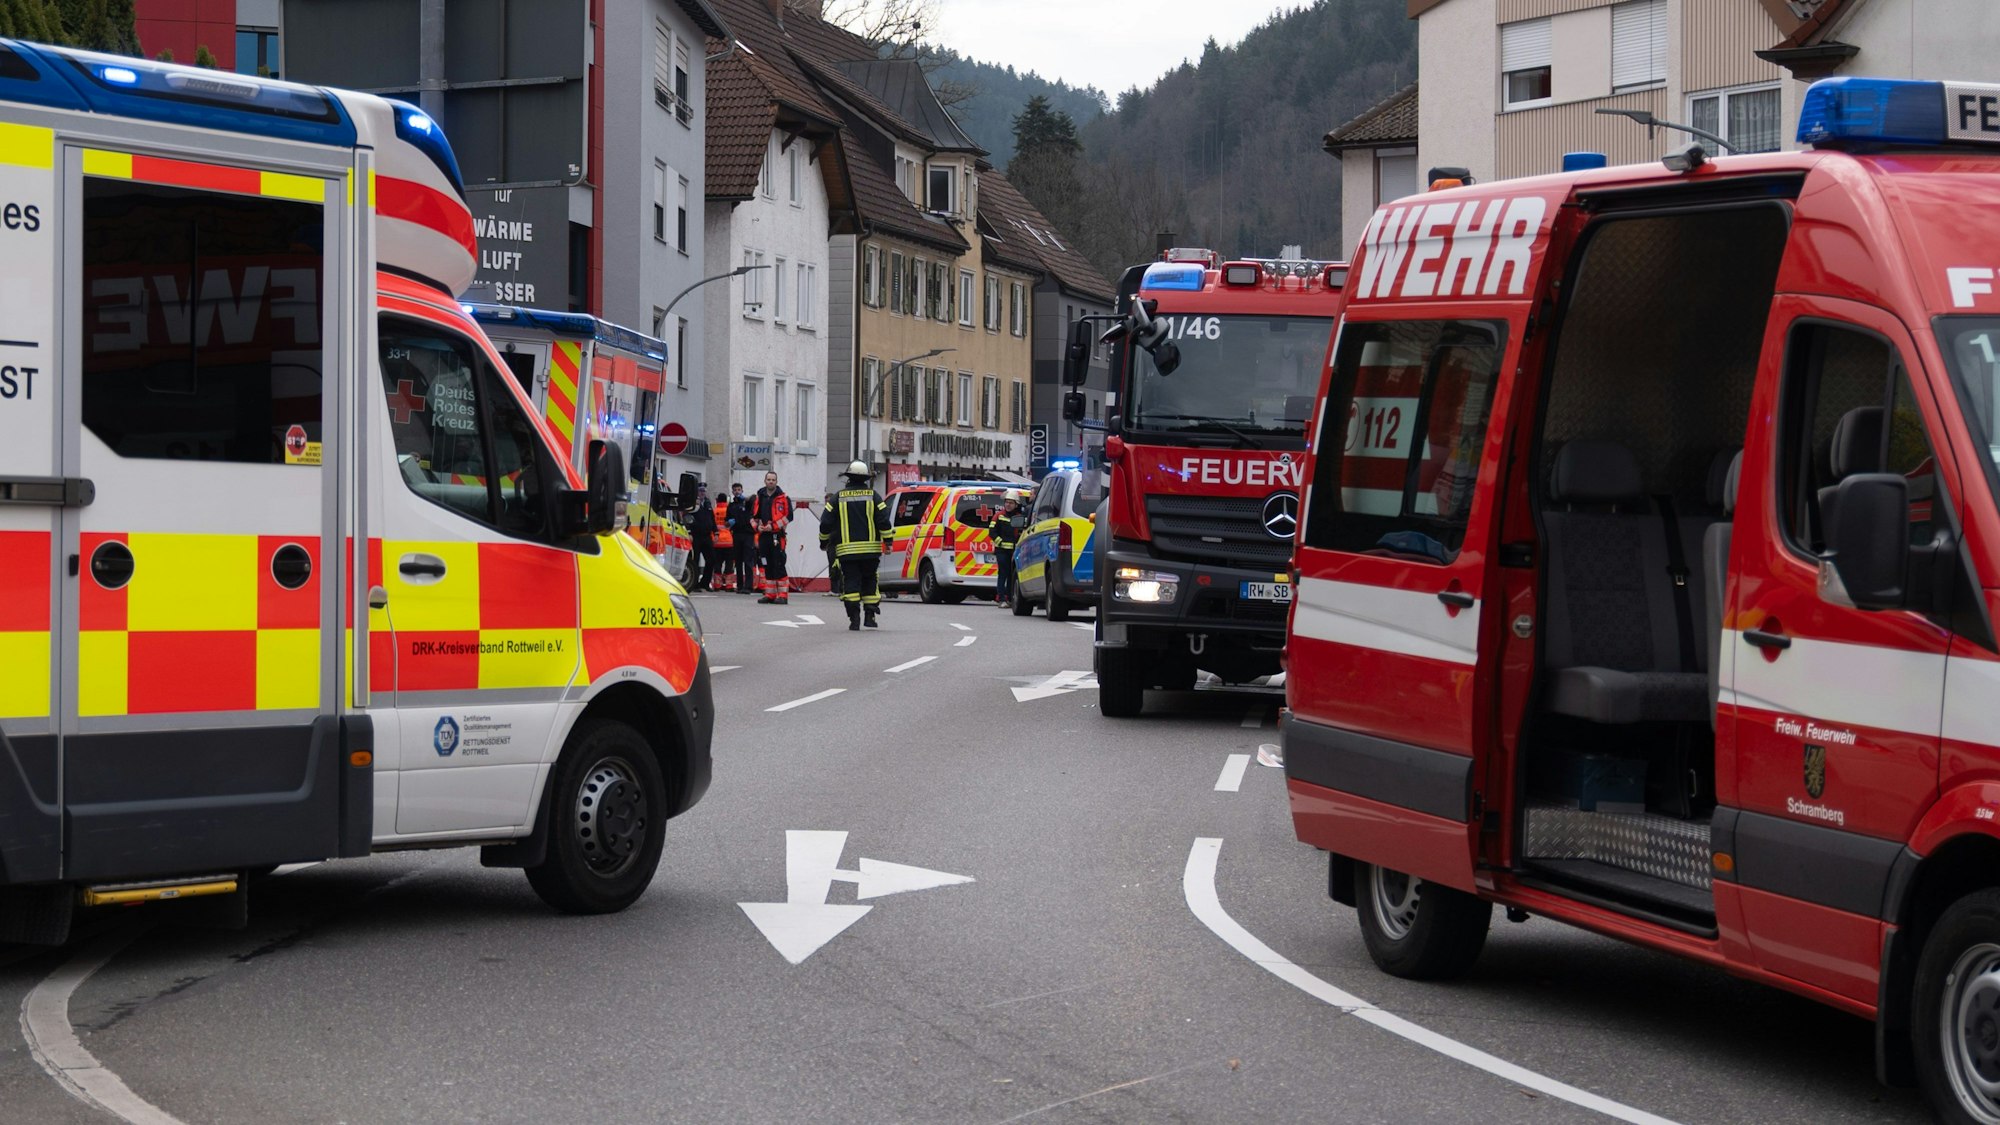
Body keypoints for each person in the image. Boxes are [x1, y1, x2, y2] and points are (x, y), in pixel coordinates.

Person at [823, 461, 890, 630]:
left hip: (847, 552)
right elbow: (883, 520)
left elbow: (825, 523)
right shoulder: (874, 496)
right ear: (865, 478)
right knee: (869, 580)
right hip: (871, 551)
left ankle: (854, 619)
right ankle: (870, 615)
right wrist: (888, 541)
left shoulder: (837, 498)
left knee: (851, 583)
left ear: (848, 478)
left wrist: (823, 541)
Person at [751, 470, 792, 605]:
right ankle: (770, 594)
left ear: (776, 481)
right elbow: (753, 517)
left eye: (773, 480)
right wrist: (757, 527)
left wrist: (773, 526)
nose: (771, 482)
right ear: (765, 481)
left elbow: (789, 517)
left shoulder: (783, 498)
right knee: (766, 564)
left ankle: (783, 595)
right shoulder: (760, 497)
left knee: (779, 563)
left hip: (776, 536)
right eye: (768, 479)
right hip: (763, 536)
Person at [991, 495, 1026, 606]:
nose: (1008, 505)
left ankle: (1010, 598)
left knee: (1012, 575)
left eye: (1011, 503)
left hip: (1014, 551)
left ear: (1016, 505)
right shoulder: (998, 516)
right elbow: (992, 531)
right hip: (1001, 550)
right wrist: (1000, 541)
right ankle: (1001, 598)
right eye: (1007, 502)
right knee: (1003, 573)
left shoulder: (1019, 517)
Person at [725, 481, 755, 594]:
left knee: (748, 560)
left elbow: (753, 499)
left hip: (748, 534)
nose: (737, 492)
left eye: (739, 490)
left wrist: (745, 499)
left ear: (742, 491)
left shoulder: (746, 503)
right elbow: (726, 522)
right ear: (732, 492)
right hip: (737, 534)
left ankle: (748, 586)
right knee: (738, 561)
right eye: (735, 490)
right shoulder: (731, 506)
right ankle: (740, 585)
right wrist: (729, 523)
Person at [689, 484, 716, 590]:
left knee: (711, 559)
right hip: (696, 536)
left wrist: (716, 532)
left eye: (704, 491)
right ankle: (694, 584)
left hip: (706, 536)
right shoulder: (692, 504)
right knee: (695, 560)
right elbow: (688, 518)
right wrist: (689, 532)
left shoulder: (708, 503)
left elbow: (712, 518)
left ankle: (705, 583)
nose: (702, 493)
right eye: (700, 491)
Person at [820, 491, 842, 598]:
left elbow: (825, 527)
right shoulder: (831, 512)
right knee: (833, 565)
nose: (827, 503)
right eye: (826, 501)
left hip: (834, 542)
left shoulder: (833, 513)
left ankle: (836, 589)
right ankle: (836, 588)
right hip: (831, 542)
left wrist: (823, 543)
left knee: (835, 566)